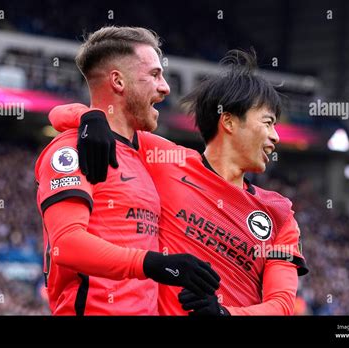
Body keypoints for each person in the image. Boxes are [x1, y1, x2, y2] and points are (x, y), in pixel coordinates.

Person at [49, 49, 309, 315]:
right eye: (268, 122)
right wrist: (89, 118)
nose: (275, 136)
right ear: (229, 121)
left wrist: (225, 314)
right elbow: (68, 116)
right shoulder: (164, 160)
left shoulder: (281, 216)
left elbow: (282, 306)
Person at [35, 26, 220, 316]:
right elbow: (67, 245)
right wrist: (153, 264)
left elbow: (215, 160)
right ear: (118, 81)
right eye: (155, 75)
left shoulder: (146, 152)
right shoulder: (73, 148)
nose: (165, 87)